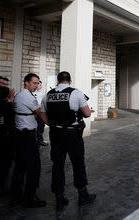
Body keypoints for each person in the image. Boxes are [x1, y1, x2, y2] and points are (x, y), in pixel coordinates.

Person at [40, 71, 96, 211]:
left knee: (57, 165)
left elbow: (42, 114)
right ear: (70, 81)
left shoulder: (48, 95)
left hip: (56, 133)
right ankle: (82, 195)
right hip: (72, 134)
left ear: (58, 81)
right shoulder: (76, 93)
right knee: (78, 163)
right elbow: (88, 114)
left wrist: (52, 124)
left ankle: (59, 198)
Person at [11, 73, 46, 208]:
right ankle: (30, 197)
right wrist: (53, 125)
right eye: (34, 83)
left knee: (20, 166)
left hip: (20, 134)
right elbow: (39, 113)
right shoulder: (27, 96)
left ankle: (16, 194)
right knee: (34, 167)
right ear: (26, 83)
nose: (36, 85)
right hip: (27, 136)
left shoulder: (21, 95)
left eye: (38, 83)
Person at [33, 81, 48, 146]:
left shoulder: (41, 93)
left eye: (41, 85)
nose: (40, 86)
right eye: (39, 85)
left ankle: (40, 140)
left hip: (40, 113)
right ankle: (35, 140)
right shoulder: (32, 93)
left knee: (41, 126)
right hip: (34, 112)